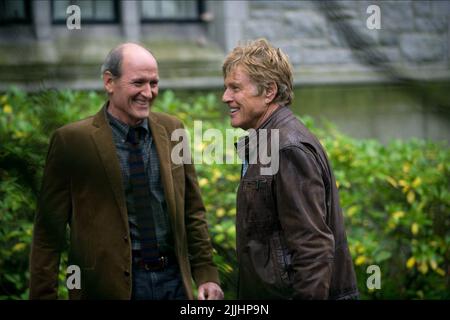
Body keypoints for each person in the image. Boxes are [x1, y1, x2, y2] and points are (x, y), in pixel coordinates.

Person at [29, 43, 223, 300]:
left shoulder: (173, 129)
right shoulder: (72, 141)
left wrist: (207, 274)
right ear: (109, 82)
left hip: (175, 283)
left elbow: (192, 210)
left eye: (154, 83)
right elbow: (47, 233)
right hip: (109, 288)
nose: (148, 92)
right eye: (138, 83)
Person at [222, 39, 359, 299]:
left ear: (269, 91)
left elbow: (313, 250)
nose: (225, 97)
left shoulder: (287, 149)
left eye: (235, 88)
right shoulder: (269, 140)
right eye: (226, 88)